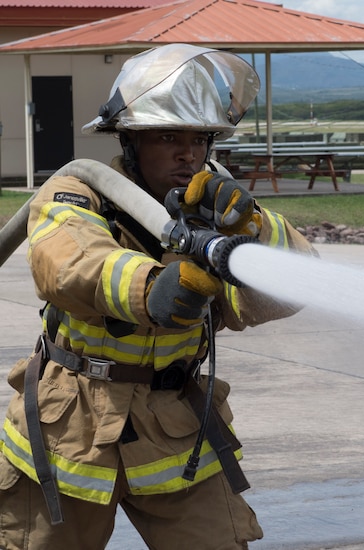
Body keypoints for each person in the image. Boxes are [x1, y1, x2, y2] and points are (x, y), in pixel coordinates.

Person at [0, 44, 315, 549]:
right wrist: (154, 288)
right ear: (130, 141)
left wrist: (250, 227)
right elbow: (69, 265)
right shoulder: (77, 193)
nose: (188, 153)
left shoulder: (222, 208)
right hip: (71, 425)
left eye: (199, 139)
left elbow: (288, 289)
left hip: (176, 426)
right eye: (169, 136)